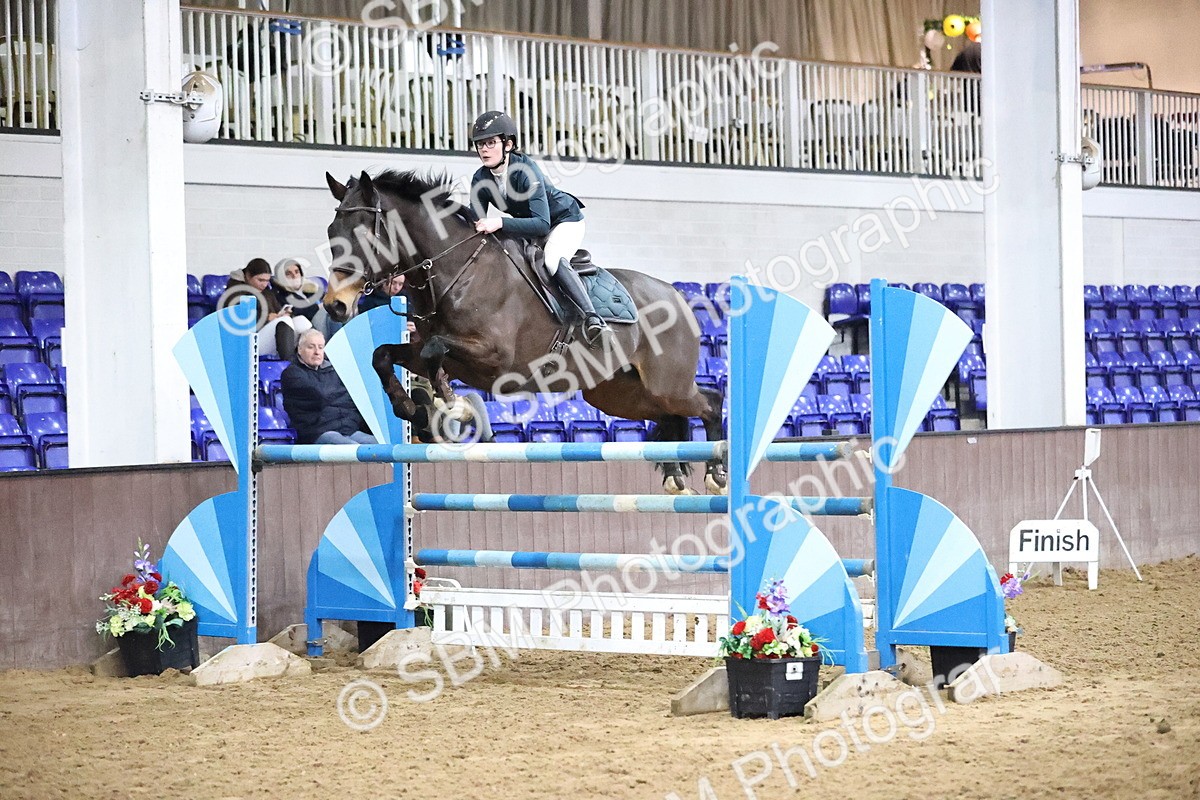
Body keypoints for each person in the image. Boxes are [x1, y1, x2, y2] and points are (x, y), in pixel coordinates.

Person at [467, 110, 608, 347]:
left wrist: (499, 222)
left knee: (552, 260)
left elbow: (541, 224)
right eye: (480, 144)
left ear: (508, 144)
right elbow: (475, 223)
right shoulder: (481, 178)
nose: (484, 149)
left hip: (563, 221)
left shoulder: (525, 170)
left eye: (491, 143)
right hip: (530, 227)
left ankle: (593, 319)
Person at [280, 329, 377, 445]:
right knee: (355, 450)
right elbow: (320, 395)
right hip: (317, 433)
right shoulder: (292, 373)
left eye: (321, 347)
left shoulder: (334, 370)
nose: (317, 352)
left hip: (348, 430)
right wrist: (341, 393)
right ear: (300, 350)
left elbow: (352, 398)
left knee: (383, 446)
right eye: (311, 347)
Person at [218, 258, 311, 359]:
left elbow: (278, 310)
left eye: (267, 281)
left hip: (269, 336)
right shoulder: (234, 293)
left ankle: (312, 357)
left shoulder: (267, 293)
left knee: (302, 321)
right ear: (248, 276)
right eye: (260, 280)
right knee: (285, 321)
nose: (264, 284)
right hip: (247, 342)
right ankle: (288, 363)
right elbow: (237, 322)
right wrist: (266, 318)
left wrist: (285, 313)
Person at [272, 257, 323, 325]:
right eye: (288, 273)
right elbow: (302, 311)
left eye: (297, 272)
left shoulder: (311, 288)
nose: (294, 276)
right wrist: (321, 306)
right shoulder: (279, 296)